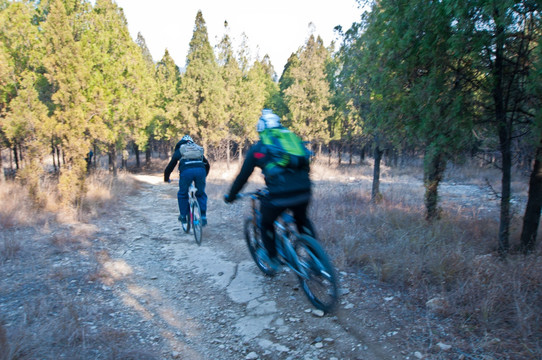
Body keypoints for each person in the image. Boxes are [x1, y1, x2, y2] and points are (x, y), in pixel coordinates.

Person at [224, 109, 314, 270]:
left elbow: (242, 177)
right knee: (302, 220)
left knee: (265, 223)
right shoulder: (292, 140)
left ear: (261, 130)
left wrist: (231, 196)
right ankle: (315, 257)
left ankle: (272, 258)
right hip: (305, 190)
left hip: (279, 195)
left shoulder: (258, 148)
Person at [164, 135, 210, 226]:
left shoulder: (180, 149)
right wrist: (204, 176)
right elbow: (207, 164)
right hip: (201, 171)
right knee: (201, 193)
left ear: (181, 141)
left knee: (182, 194)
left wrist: (166, 178)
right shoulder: (196, 149)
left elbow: (171, 165)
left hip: (186, 172)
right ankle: (203, 216)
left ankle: (183, 216)